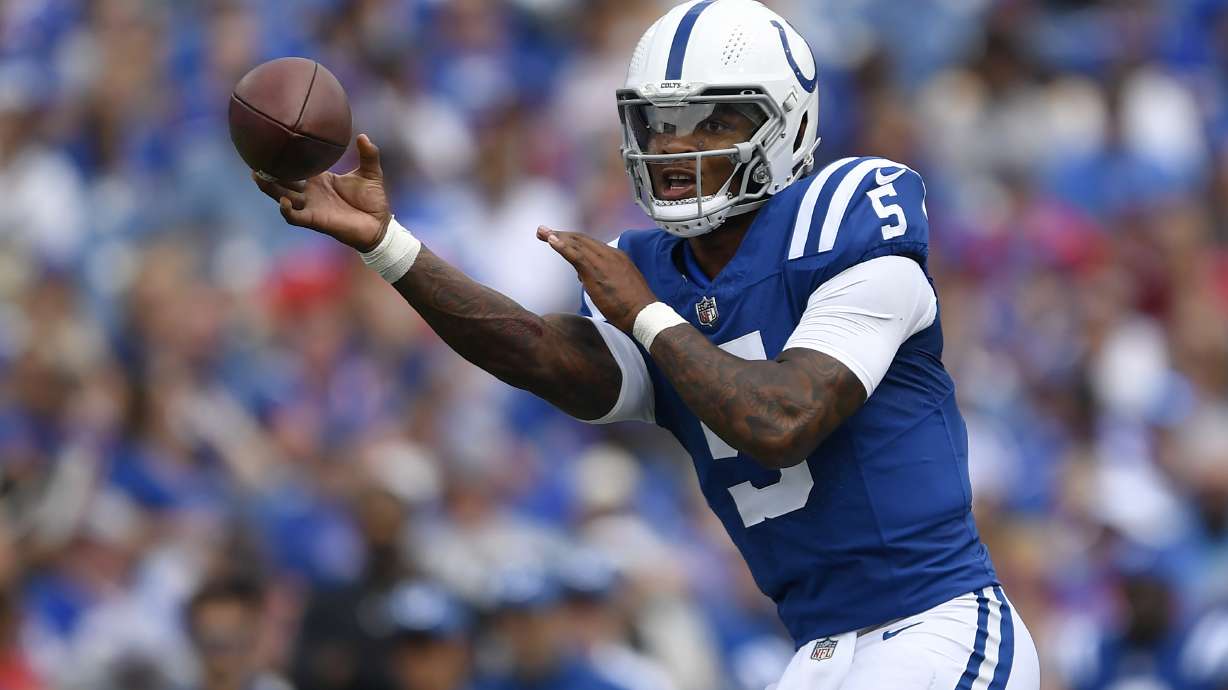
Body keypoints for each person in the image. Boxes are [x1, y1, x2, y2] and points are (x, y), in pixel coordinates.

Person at [251, 1, 1042, 687]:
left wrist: (648, 318)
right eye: (661, 124)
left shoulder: (846, 221)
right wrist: (388, 245)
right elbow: (537, 350)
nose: (675, 146)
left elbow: (784, 418)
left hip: (935, 625)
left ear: (787, 123)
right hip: (822, 654)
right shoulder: (662, 274)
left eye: (714, 120)